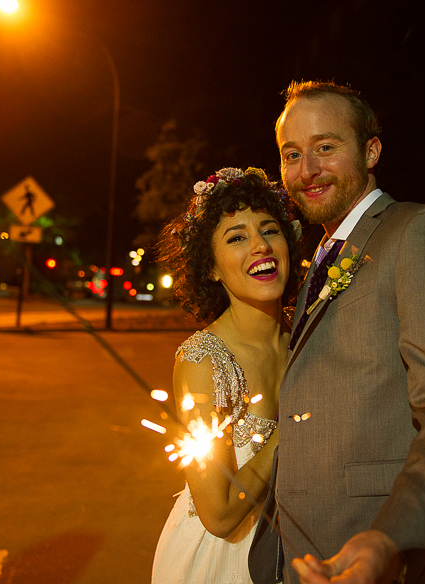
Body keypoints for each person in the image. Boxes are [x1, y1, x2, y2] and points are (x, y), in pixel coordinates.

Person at [248, 82, 425, 584]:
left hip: (382, 557)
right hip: (299, 555)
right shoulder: (317, 255)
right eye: (292, 154)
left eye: (326, 147)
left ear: (372, 150)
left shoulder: (421, 231)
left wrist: (391, 539)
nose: (307, 169)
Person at [152, 167, 303, 584]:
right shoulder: (204, 361)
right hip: (222, 561)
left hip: (296, 549)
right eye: (236, 238)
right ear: (212, 268)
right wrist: (286, 429)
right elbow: (217, 513)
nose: (259, 245)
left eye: (269, 230)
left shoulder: (309, 338)